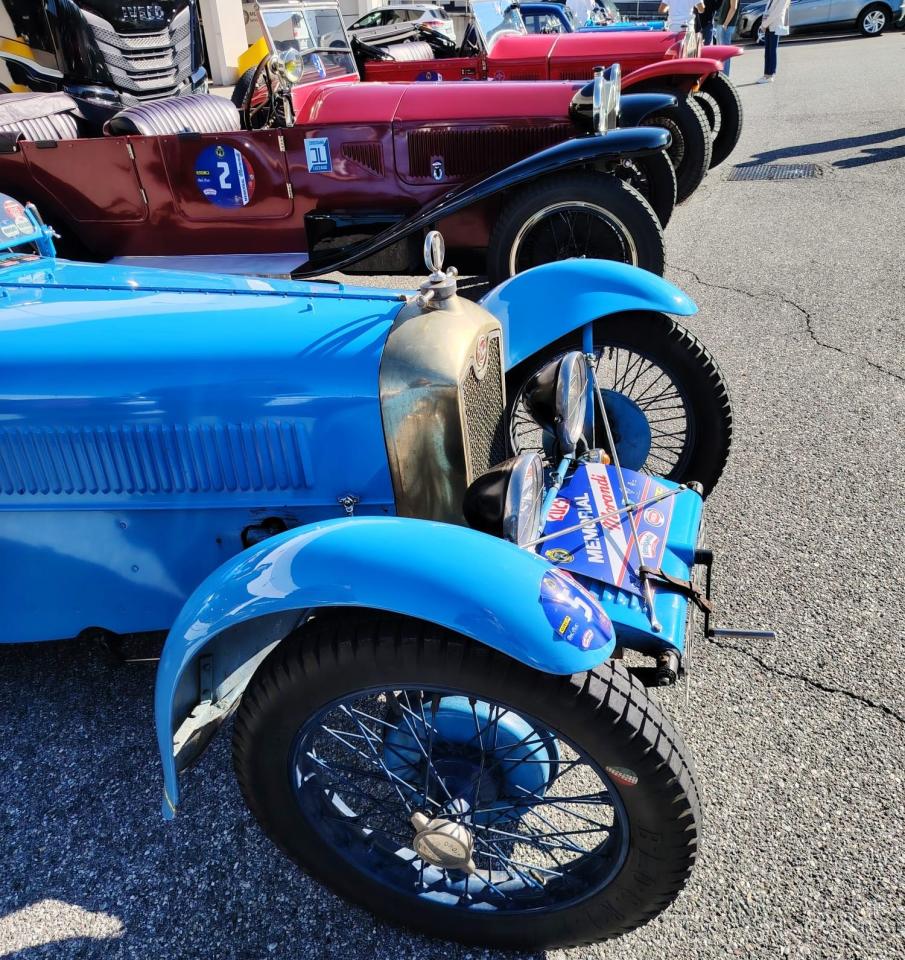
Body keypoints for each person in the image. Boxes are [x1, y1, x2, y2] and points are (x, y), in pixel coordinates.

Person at [757, 0, 791, 83]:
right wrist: (764, 24)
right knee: (767, 51)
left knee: (772, 51)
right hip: (768, 25)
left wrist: (764, 24)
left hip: (774, 25)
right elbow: (767, 10)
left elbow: (777, 12)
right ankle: (766, 75)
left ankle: (771, 75)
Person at [715, 0, 740, 73]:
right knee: (720, 52)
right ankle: (720, 75)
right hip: (722, 24)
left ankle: (724, 77)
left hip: (726, 26)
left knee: (724, 53)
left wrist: (725, 24)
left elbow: (733, 8)